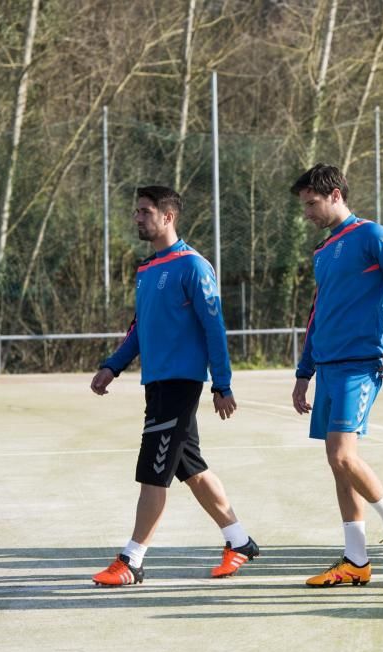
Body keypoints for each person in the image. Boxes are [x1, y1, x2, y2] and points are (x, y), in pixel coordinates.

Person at [90, 185, 258, 586]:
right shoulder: (147, 269)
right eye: (137, 211)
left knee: (153, 471)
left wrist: (223, 382)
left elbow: (213, 326)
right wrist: (113, 365)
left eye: (145, 211)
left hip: (181, 384)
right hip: (156, 383)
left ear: (168, 217)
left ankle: (132, 561)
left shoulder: (193, 266)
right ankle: (239, 541)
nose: (138, 218)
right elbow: (139, 328)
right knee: (192, 469)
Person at [290, 163, 383, 588]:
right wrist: (303, 371)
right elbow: (318, 314)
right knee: (337, 464)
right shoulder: (323, 251)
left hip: (359, 364)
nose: (306, 212)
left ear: (334, 195)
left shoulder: (372, 236)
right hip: (327, 366)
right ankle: (355, 559)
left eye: (311, 203)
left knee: (344, 455)